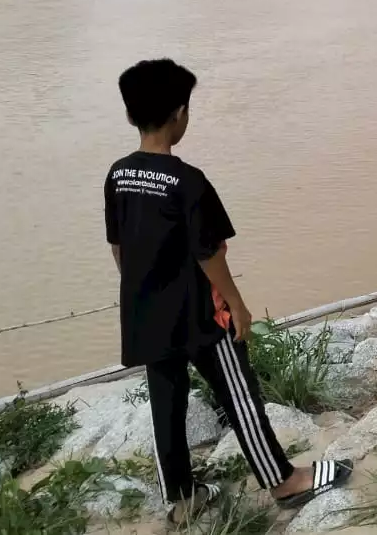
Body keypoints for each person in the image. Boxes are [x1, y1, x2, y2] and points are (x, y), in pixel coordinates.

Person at [105, 59, 351, 524]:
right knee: (238, 393)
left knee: (166, 403)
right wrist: (235, 304)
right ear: (180, 114)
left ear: (130, 115)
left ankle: (181, 499)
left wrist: (142, 290)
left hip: (145, 311)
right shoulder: (187, 181)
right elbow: (209, 252)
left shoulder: (118, 175)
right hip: (198, 312)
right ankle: (283, 480)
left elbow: (119, 247)